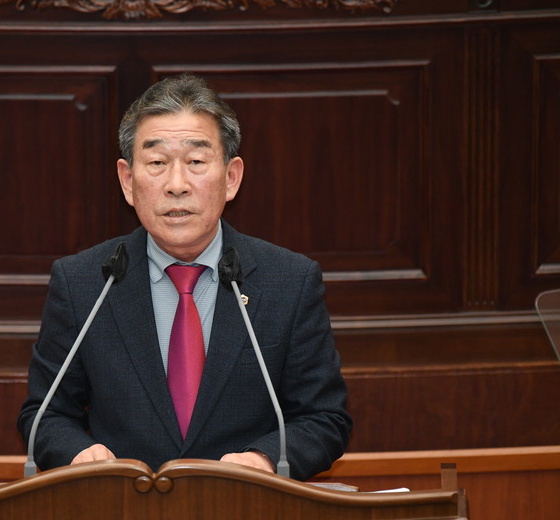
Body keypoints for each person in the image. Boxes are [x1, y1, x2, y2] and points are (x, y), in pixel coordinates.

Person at [18, 73, 352, 481]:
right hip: (123, 504)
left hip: (245, 503)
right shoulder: (84, 282)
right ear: (128, 181)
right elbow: (45, 414)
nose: (176, 185)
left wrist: (262, 461)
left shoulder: (289, 281)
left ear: (231, 178)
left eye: (195, 162)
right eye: (157, 163)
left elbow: (324, 418)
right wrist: (78, 454)